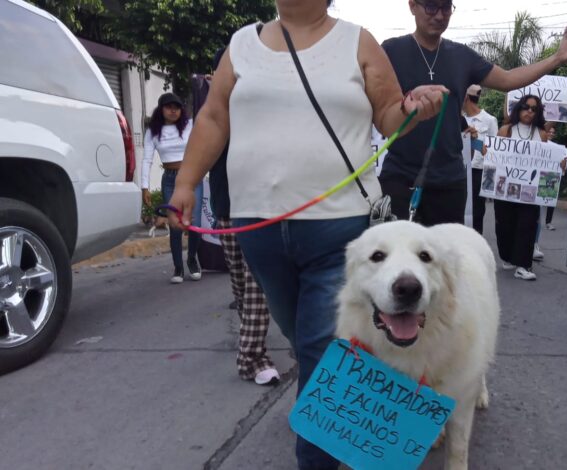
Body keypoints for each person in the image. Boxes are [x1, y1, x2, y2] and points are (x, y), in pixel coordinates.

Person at [167, 1, 446, 468]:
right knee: (300, 336)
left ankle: (316, 455)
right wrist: (185, 183)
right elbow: (215, 118)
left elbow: (389, 116)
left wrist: (415, 107)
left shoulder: (357, 41)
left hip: (340, 227)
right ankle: (348, 411)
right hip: (256, 228)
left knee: (321, 343)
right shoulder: (240, 46)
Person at [379, 0, 567, 226]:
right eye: (431, 6)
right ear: (412, 6)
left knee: (446, 259)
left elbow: (508, 79)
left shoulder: (461, 56)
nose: (439, 15)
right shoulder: (391, 51)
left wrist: (557, 57)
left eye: (446, 8)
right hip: (400, 177)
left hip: (449, 181)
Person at [207, 47, 279, 386]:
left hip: (261, 207)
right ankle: (252, 337)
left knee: (255, 284)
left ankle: (252, 357)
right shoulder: (213, 113)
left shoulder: (268, 109)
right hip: (225, 206)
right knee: (239, 283)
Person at [141, 93, 202, 284]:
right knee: (175, 224)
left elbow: (207, 107)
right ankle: (178, 267)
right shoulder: (153, 132)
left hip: (191, 177)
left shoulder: (190, 125)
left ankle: (192, 259)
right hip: (170, 180)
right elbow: (147, 159)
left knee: (195, 223)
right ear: (161, 110)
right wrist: (145, 187)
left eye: (177, 106)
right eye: (168, 107)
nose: (173, 110)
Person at [495, 95, 547, 280]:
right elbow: (496, 156)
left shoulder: (541, 134)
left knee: (527, 225)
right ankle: (508, 257)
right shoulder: (506, 130)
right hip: (506, 190)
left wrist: (560, 163)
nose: (530, 111)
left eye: (534, 109)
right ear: (519, 108)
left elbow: (547, 162)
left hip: (529, 191)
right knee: (505, 225)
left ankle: (524, 264)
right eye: (526, 107)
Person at [463, 84, 498, 234]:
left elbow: (494, 152)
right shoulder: (458, 119)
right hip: (460, 172)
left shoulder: (489, 120)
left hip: (479, 173)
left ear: (465, 98)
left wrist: (490, 184)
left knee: (477, 212)